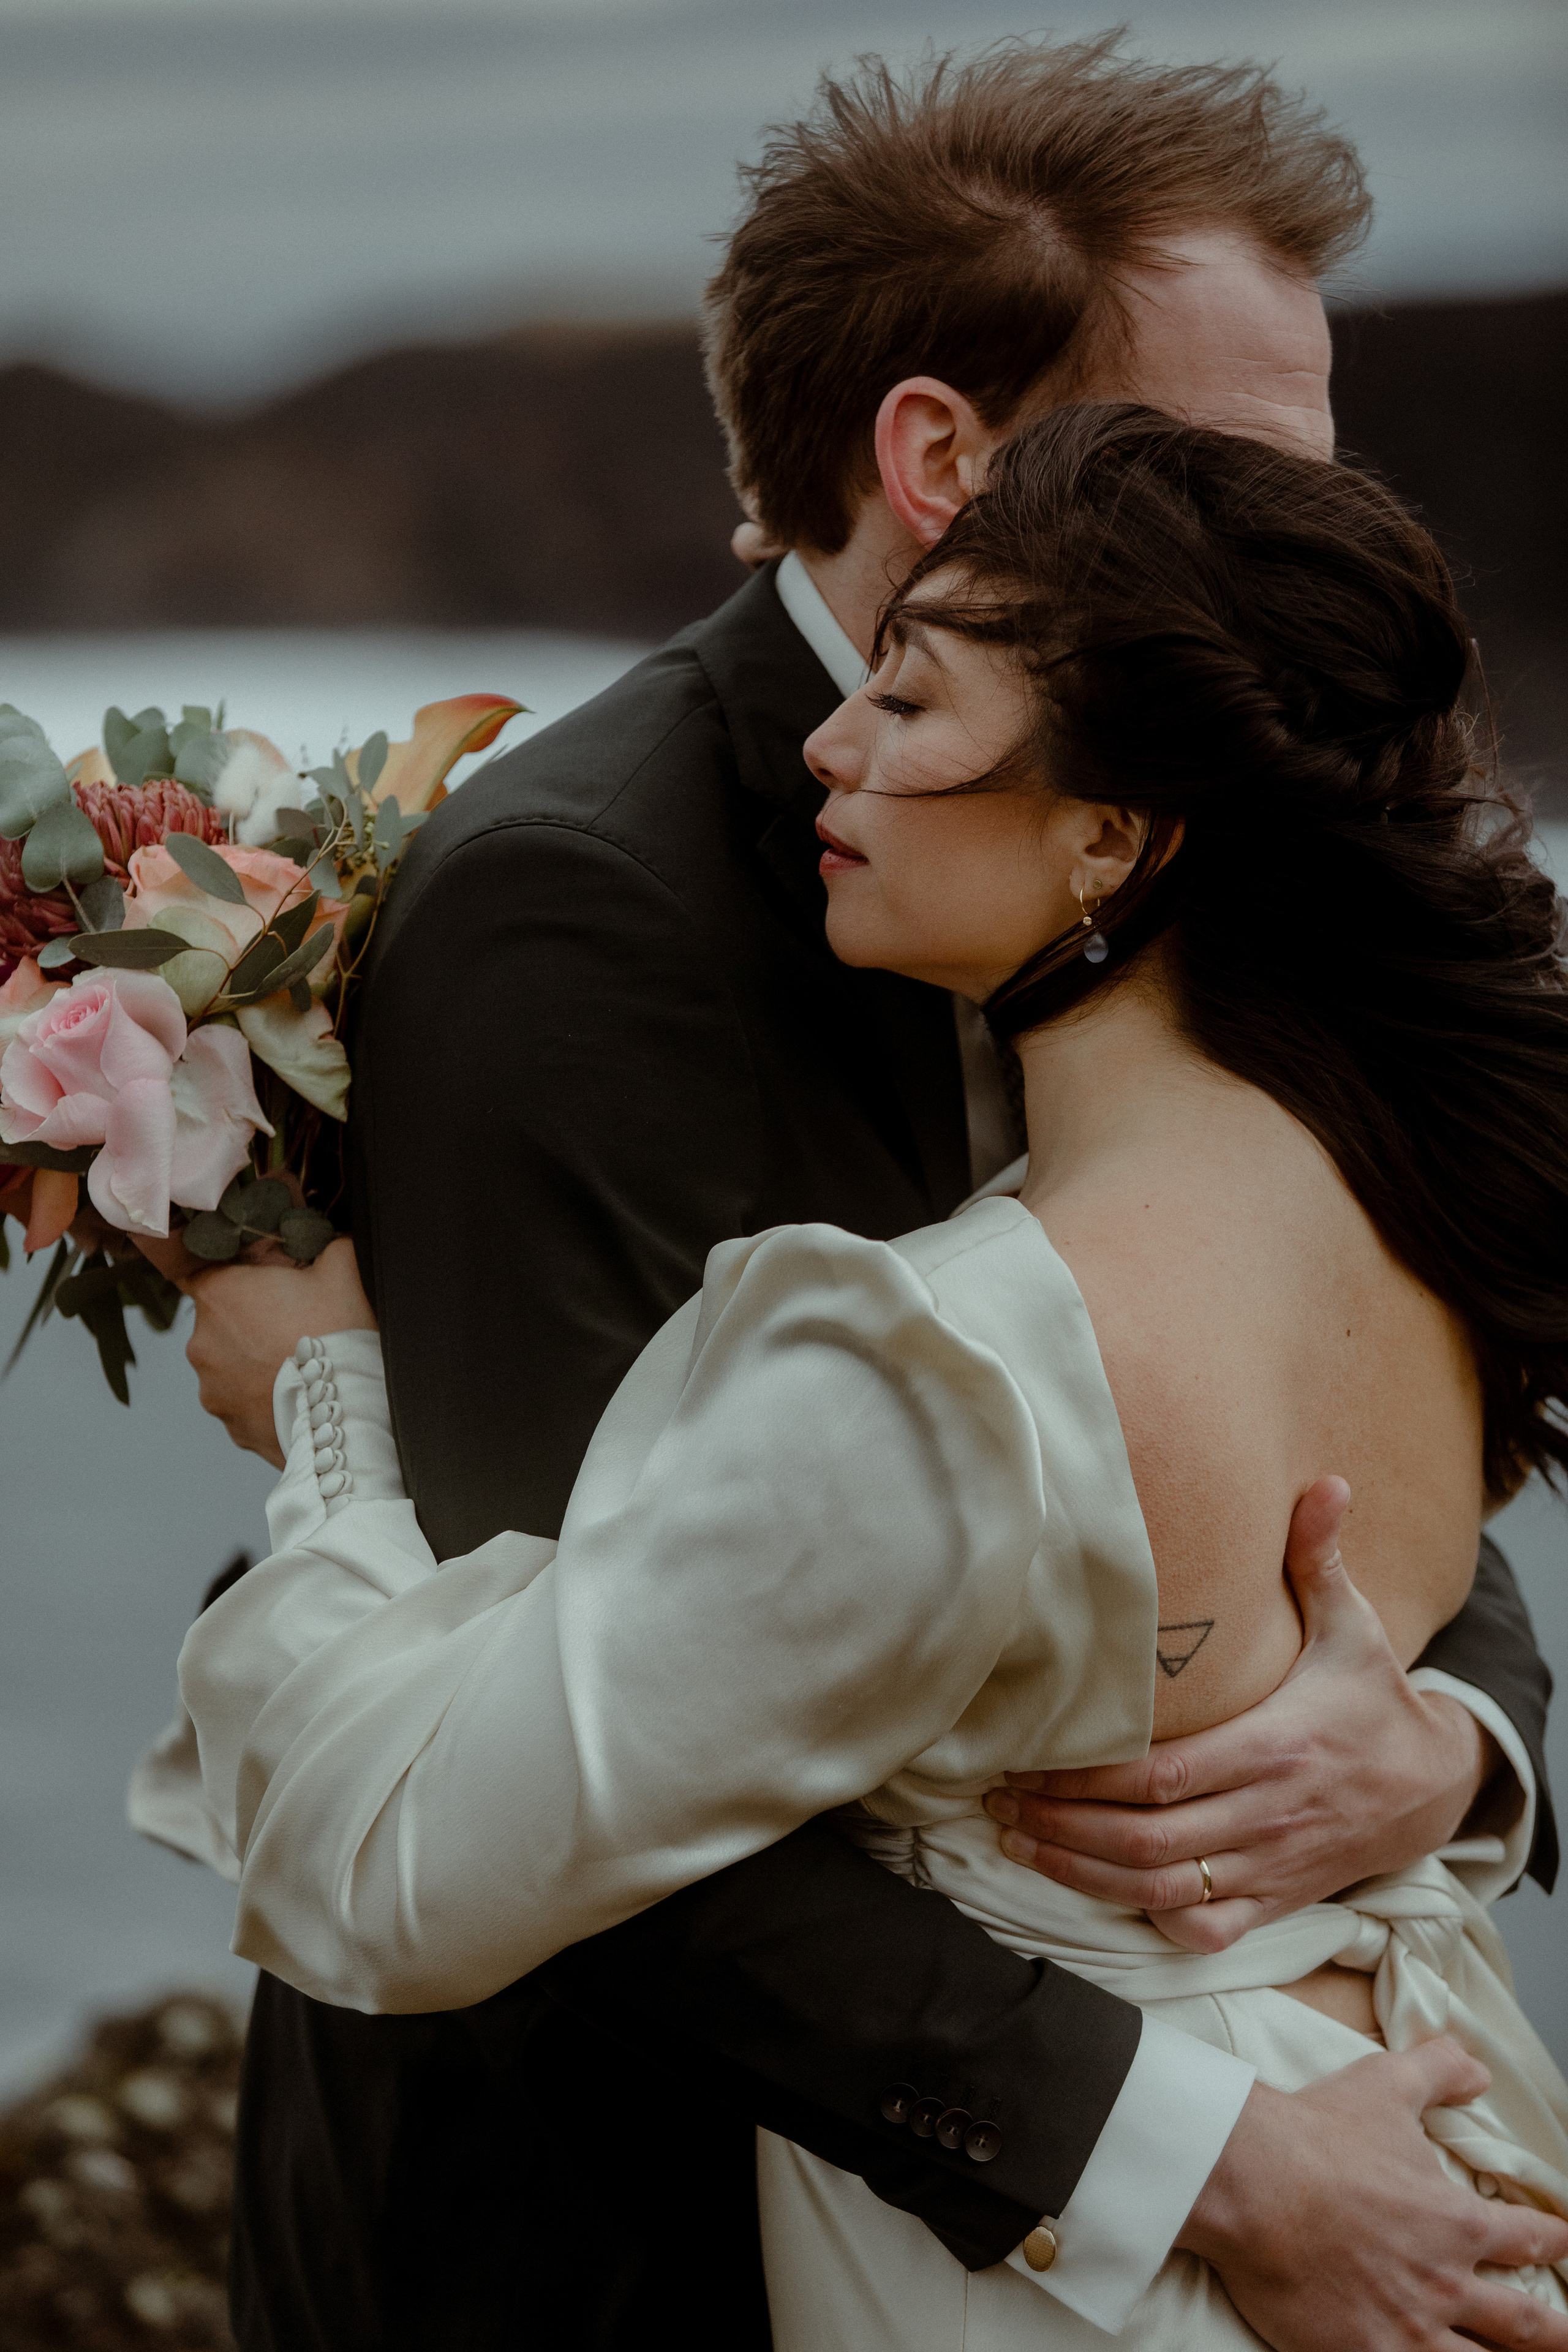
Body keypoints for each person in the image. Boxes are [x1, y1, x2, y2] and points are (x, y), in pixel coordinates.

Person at [148, 39, 1556, 2352]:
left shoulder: (1247, 873)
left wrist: (1444, 1737)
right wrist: (1203, 2166)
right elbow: (557, 1774)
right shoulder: (577, 912)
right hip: (657, 2233)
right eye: (1244, 458)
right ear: (944, 459)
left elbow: (1368, 1378)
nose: (1322, 525)